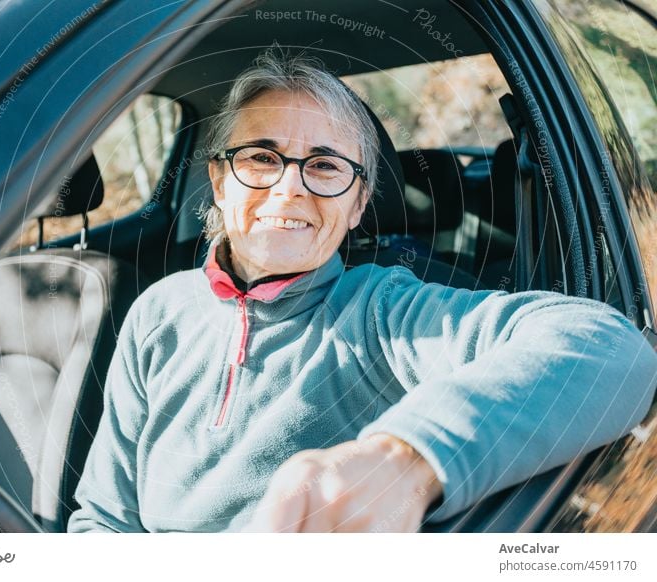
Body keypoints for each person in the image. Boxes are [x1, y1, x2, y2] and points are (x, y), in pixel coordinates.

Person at [67, 48, 657, 533]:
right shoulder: (157, 312)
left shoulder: (382, 310)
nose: (289, 188)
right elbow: (103, 519)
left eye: (324, 166)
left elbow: (608, 346)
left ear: (356, 204)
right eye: (260, 158)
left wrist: (408, 457)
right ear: (220, 181)